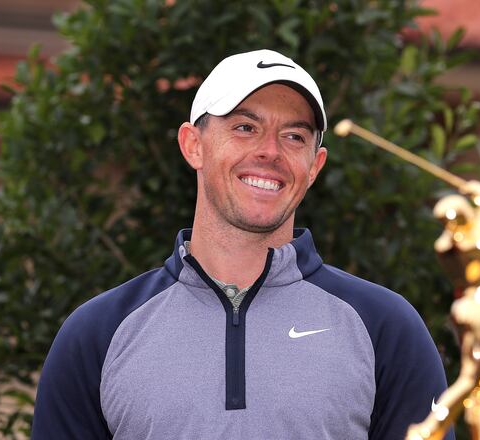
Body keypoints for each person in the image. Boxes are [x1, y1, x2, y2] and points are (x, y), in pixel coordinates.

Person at [32, 49, 454, 439]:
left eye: (294, 137)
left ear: (315, 166)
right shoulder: (98, 334)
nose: (269, 152)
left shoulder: (386, 328)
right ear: (192, 145)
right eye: (245, 127)